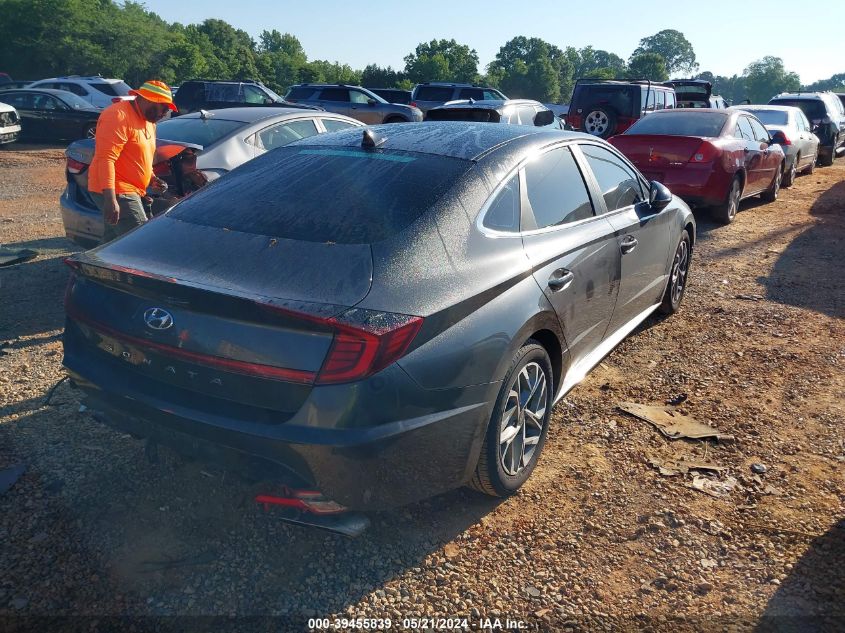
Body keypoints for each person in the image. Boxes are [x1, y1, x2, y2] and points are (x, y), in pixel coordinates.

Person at [87, 80, 177, 244]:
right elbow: (106, 158)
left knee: (112, 243)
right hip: (116, 189)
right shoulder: (118, 116)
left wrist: (151, 178)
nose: (165, 113)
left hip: (131, 190)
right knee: (140, 241)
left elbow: (139, 156)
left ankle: (86, 267)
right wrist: (110, 199)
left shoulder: (149, 122)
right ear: (149, 100)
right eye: (164, 108)